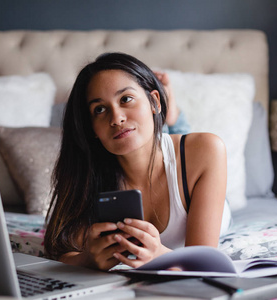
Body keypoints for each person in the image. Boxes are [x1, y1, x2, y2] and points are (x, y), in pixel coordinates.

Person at [44, 52, 231, 271]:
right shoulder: (88, 176)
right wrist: (88, 259)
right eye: (100, 109)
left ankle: (173, 117)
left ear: (154, 101)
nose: (116, 119)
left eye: (126, 99)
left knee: (179, 141)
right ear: (91, 128)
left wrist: (160, 257)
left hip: (190, 181)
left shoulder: (208, 149)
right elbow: (60, 252)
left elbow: (205, 266)